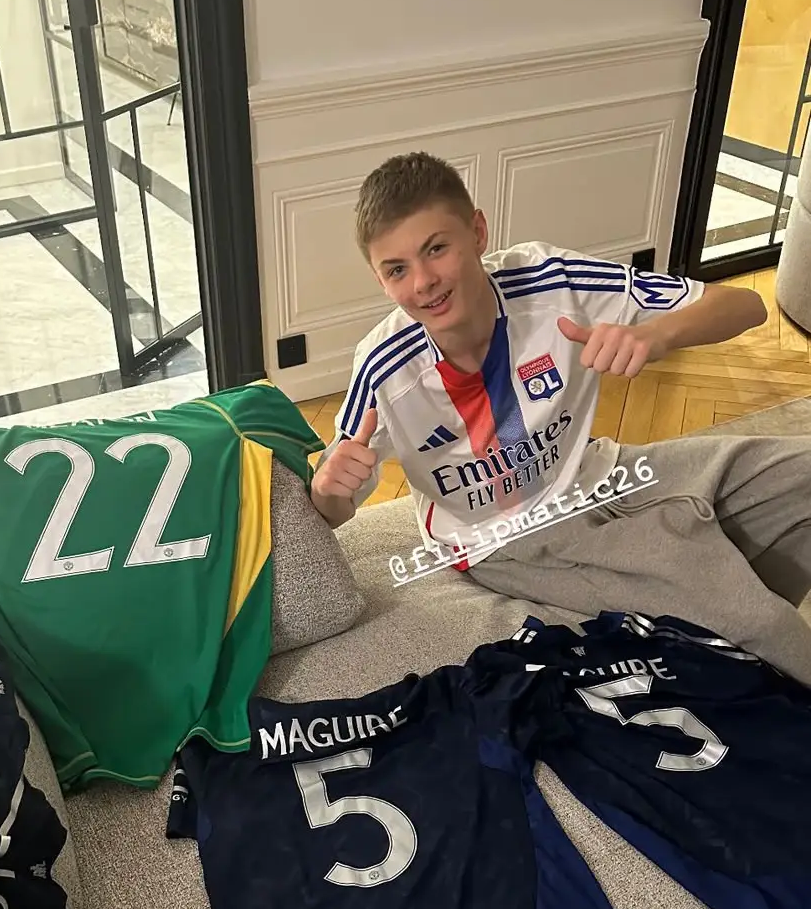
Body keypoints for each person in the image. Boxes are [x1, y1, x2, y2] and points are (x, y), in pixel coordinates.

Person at [311, 149, 811, 686]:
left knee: (797, 475)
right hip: (504, 539)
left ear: (477, 232)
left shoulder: (552, 280)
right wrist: (330, 487)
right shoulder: (383, 365)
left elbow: (744, 306)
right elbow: (334, 510)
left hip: (602, 473)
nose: (423, 282)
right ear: (380, 279)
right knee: (757, 622)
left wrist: (655, 335)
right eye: (397, 270)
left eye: (436, 248)